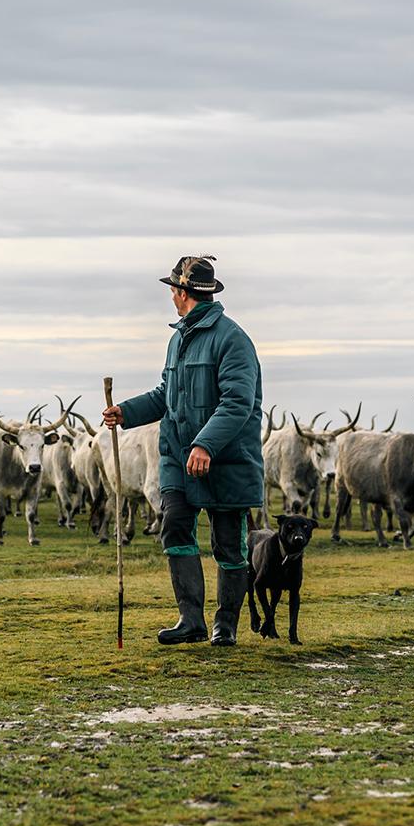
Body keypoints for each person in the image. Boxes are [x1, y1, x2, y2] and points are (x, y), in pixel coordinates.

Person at [103, 256, 264, 646]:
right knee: (175, 524)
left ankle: (225, 625)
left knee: (228, 542)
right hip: (178, 454)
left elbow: (237, 403)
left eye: (173, 289)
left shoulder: (233, 339)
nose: (171, 296)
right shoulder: (178, 339)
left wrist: (207, 443)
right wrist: (126, 412)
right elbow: (166, 395)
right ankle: (190, 620)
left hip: (225, 461)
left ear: (182, 292)